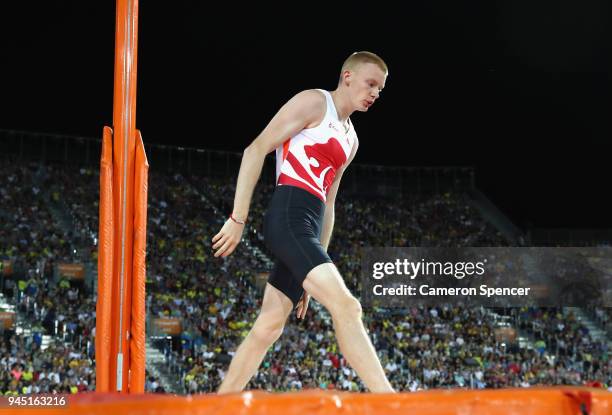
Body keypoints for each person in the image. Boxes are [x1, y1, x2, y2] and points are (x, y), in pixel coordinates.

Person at [213, 51, 394, 393]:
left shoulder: (351, 139)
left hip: (308, 229)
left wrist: (313, 271)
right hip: (288, 217)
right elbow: (255, 149)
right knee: (348, 307)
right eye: (371, 84)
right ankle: (390, 401)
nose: (375, 93)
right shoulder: (314, 102)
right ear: (348, 77)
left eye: (381, 89)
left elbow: (329, 203)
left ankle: (219, 403)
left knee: (269, 326)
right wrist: (238, 218)